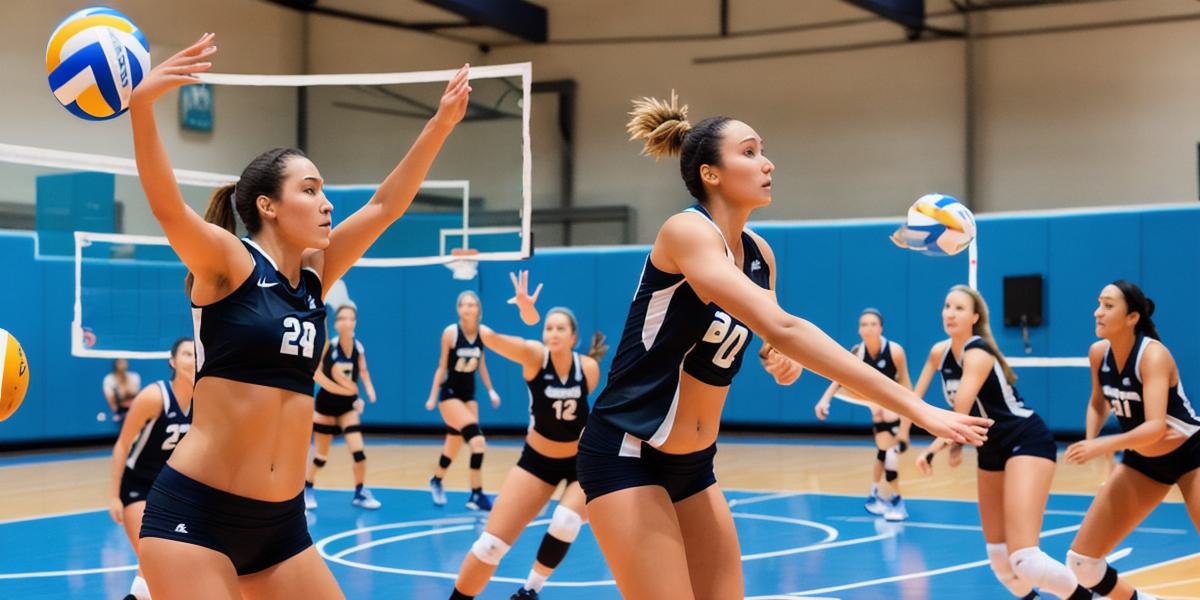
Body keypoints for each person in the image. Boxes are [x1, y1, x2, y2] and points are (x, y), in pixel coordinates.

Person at [574, 91, 990, 599]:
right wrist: (916, 408)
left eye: (762, 150)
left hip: (694, 464)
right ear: (711, 174)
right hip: (627, 450)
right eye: (749, 152)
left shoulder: (758, 255)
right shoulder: (686, 231)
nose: (767, 162)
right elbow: (785, 327)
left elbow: (775, 341)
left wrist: (780, 360)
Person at [129, 33, 470, 599]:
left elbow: (385, 205)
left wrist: (441, 123)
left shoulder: (315, 276)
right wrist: (142, 107)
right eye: (309, 190)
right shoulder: (229, 262)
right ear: (267, 205)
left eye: (324, 191)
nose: (327, 203)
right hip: (197, 518)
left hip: (282, 529)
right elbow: (167, 207)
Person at [914, 285, 1091, 600]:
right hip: (990, 447)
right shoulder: (938, 353)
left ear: (975, 317)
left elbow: (962, 408)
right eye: (946, 306)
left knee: (1024, 557)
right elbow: (914, 401)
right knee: (1000, 559)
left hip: (1025, 438)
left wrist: (935, 448)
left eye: (958, 308)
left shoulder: (978, 352)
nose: (950, 313)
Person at [449, 271, 606, 600]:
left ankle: (530, 590)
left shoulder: (588, 369)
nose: (552, 333)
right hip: (537, 461)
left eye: (560, 328)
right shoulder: (535, 357)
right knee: (490, 545)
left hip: (580, 462)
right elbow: (489, 338)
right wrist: (527, 311)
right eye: (548, 327)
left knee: (565, 521)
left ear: (574, 337)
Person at [1063, 281, 1199, 600]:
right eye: (1098, 303)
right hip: (1144, 462)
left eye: (1108, 306)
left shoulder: (1153, 355)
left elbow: (1154, 427)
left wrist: (1102, 446)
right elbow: (1099, 403)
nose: (1098, 312)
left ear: (1132, 317)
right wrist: (1089, 438)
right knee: (1082, 563)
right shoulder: (1099, 354)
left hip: (1192, 455)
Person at [108, 338, 195, 600]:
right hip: (139, 487)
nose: (192, 359)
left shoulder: (205, 400)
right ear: (173, 362)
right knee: (154, 561)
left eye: (196, 354)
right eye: (186, 354)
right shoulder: (154, 396)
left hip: (173, 491)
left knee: (159, 572)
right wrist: (113, 496)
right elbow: (123, 445)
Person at [814, 308, 914, 521]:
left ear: (881, 328)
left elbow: (906, 385)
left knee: (889, 454)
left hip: (894, 406)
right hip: (875, 405)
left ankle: (895, 500)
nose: (868, 328)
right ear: (859, 330)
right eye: (864, 324)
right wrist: (824, 400)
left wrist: (908, 422)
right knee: (884, 452)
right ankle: (876, 495)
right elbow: (838, 377)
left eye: (873, 324)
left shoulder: (895, 351)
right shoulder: (858, 352)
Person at [426, 290, 501, 511]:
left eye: (471, 305)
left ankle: (436, 479)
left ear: (478, 309)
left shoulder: (483, 334)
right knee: (478, 442)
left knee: (454, 445)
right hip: (449, 396)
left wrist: (491, 390)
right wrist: (432, 396)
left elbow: (483, 366)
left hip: (470, 397)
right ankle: (476, 495)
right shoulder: (450, 333)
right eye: (463, 305)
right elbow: (441, 366)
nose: (467, 308)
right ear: (458, 309)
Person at [304, 305, 380, 510]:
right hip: (326, 406)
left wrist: (369, 390)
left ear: (355, 322)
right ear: (336, 324)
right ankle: (308, 487)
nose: (347, 322)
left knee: (359, 453)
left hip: (347, 408)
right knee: (321, 457)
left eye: (351, 319)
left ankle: (359, 492)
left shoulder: (358, 347)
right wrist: (343, 390)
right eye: (343, 319)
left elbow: (363, 370)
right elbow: (317, 374)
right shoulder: (330, 347)